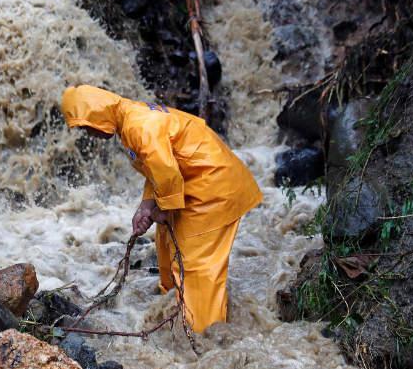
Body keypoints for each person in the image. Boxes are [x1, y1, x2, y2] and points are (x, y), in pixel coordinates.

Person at [61, 85, 262, 332]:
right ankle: (175, 314)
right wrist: (146, 206)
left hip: (214, 188)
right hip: (195, 184)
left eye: (85, 126)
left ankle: (205, 334)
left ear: (96, 114)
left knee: (195, 267)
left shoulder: (139, 126)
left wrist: (163, 210)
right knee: (167, 251)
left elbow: (166, 172)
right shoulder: (131, 118)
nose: (88, 133)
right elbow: (157, 168)